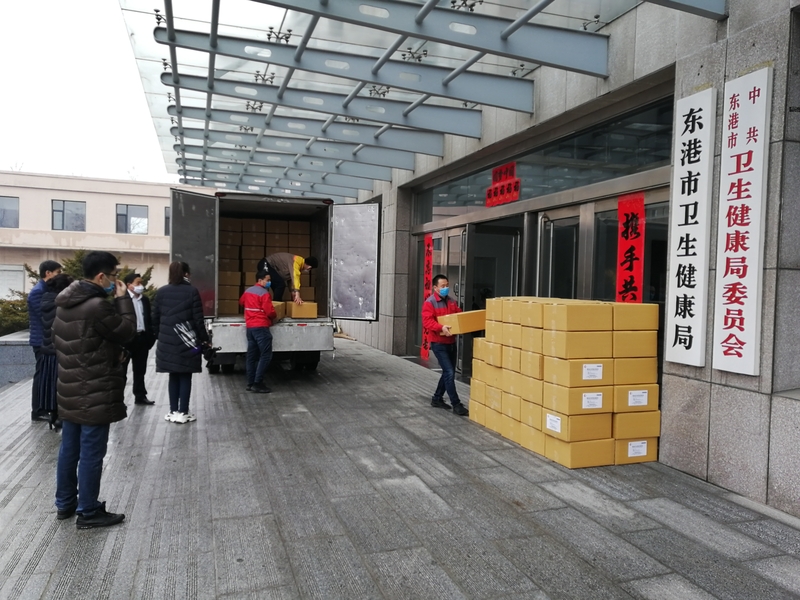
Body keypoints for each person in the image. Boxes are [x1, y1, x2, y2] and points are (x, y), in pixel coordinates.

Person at [53, 251, 136, 529]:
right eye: (113, 276)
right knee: (91, 452)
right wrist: (123, 299)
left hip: (69, 389)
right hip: (95, 390)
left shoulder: (65, 303)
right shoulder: (97, 306)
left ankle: (65, 502)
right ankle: (88, 511)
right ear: (101, 276)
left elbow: (69, 343)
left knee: (69, 449)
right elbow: (126, 331)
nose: (115, 281)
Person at [153, 261, 209, 424]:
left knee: (173, 375)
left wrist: (160, 336)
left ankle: (173, 411)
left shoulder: (161, 292)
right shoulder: (192, 291)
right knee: (185, 375)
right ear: (186, 273)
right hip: (188, 343)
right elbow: (198, 319)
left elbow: (154, 318)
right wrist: (205, 339)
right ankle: (184, 412)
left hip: (167, 342)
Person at [421, 274, 468, 416]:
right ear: (435, 288)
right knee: (449, 372)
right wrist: (441, 327)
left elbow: (459, 316)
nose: (446, 288)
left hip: (451, 343)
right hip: (439, 344)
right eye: (443, 286)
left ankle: (437, 399)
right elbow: (427, 322)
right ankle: (456, 404)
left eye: (447, 285)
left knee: (448, 372)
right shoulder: (430, 303)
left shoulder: (452, 302)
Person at [28, 259, 62, 421]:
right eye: (58, 272)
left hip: (46, 340)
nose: (59, 275)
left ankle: (44, 408)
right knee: (41, 375)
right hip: (41, 341)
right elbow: (45, 316)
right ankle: (37, 410)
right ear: (48, 273)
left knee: (45, 375)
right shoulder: (38, 292)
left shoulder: (46, 289)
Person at [39, 273, 74, 430]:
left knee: (49, 383)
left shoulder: (45, 299)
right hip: (59, 349)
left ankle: (52, 414)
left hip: (47, 348)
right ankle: (59, 416)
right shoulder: (60, 303)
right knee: (59, 384)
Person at [239, 269, 277, 394]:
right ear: (260, 280)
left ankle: (250, 383)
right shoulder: (264, 293)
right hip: (261, 327)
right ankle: (258, 383)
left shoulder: (248, 291)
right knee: (265, 355)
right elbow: (270, 312)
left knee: (251, 356)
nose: (269, 282)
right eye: (268, 280)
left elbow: (241, 302)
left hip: (250, 328)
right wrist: (275, 316)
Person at [122, 272, 156, 405]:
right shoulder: (123, 300)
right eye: (138, 283)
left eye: (141, 283)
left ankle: (140, 395)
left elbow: (149, 319)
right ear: (129, 285)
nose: (141, 286)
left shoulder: (144, 300)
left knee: (140, 370)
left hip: (142, 338)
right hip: (127, 340)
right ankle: (120, 399)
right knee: (122, 371)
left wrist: (150, 338)